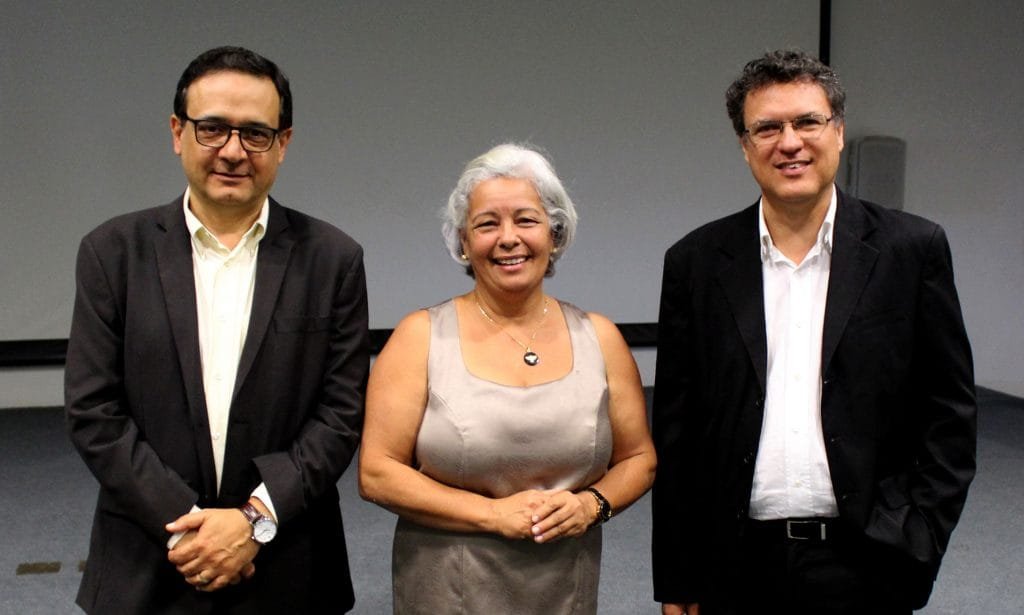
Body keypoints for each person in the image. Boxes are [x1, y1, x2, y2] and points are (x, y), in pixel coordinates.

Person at [651, 49, 977, 615]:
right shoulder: (696, 262)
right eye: (767, 128)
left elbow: (949, 411)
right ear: (745, 145)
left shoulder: (911, 250)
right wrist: (678, 574)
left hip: (869, 559)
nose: (790, 142)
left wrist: (918, 535)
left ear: (839, 132)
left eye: (808, 121)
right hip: (735, 562)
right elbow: (678, 432)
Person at [64, 46, 369, 613]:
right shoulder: (112, 253)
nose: (233, 151)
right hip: (150, 562)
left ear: (283, 143)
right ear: (177, 132)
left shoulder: (333, 259)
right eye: (212, 129)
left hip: (290, 564)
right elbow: (94, 412)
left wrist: (253, 521)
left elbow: (340, 414)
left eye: (255, 133)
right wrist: (188, 528)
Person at [359, 143, 656, 614]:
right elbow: (377, 473)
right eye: (487, 224)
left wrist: (591, 505)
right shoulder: (419, 337)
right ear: (463, 241)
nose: (508, 238)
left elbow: (639, 459)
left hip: (566, 591)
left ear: (554, 234)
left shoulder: (600, 338)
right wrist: (492, 515)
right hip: (446, 594)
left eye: (526, 220)